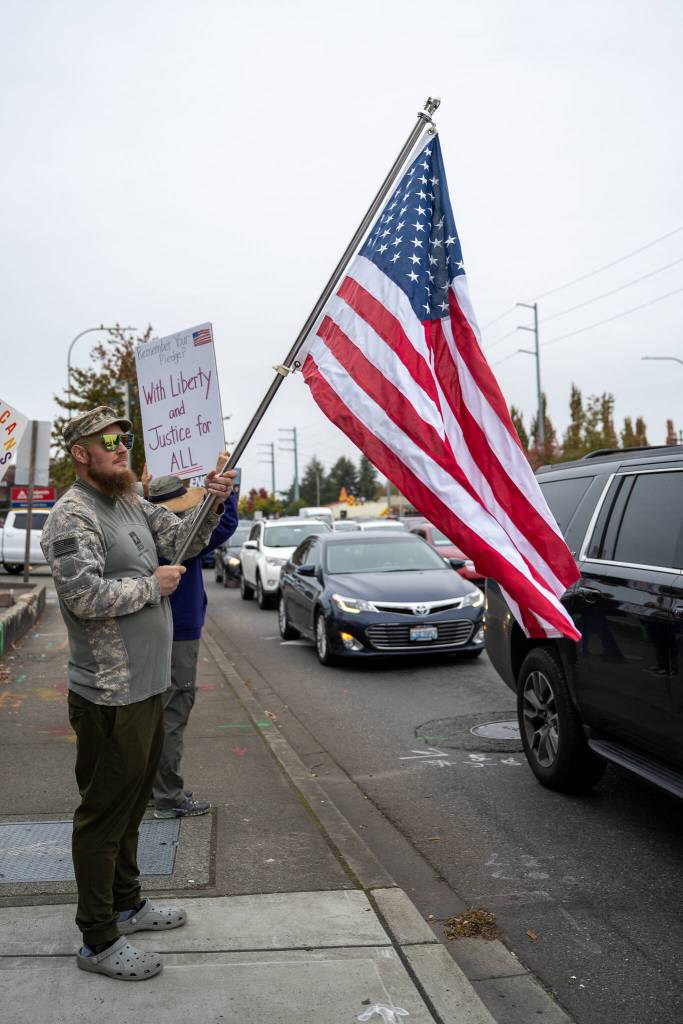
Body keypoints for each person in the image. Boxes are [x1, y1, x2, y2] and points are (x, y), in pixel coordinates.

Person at [41, 406, 234, 982]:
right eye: (109, 438)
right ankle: (97, 939)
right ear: (80, 451)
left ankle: (127, 904)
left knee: (131, 811)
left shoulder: (128, 498)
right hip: (109, 694)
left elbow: (184, 538)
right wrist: (153, 586)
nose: (122, 445)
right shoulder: (72, 515)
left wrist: (215, 498)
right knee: (103, 816)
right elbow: (84, 598)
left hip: (149, 685)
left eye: (125, 436)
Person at [143, 467, 238, 818]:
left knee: (152, 713)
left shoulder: (143, 530)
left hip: (149, 629)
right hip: (178, 632)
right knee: (173, 711)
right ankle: (168, 796)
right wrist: (230, 489)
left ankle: (154, 790)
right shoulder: (183, 535)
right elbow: (226, 526)